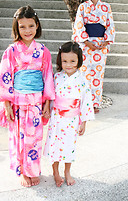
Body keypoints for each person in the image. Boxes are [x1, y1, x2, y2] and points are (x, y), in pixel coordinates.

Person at [0, 5, 55, 187]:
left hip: (35, 101)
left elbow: (48, 77)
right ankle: (22, 171)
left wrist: (47, 103)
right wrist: (6, 104)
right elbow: (5, 76)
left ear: (37, 26)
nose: (27, 31)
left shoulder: (43, 51)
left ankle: (33, 170)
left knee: (34, 138)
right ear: (16, 28)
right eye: (22, 27)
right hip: (17, 101)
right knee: (18, 137)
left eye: (31, 26)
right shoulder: (11, 51)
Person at [44, 42, 94, 187]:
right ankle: (55, 172)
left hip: (72, 119)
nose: (69, 64)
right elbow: (50, 95)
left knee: (68, 146)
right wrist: (47, 107)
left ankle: (67, 171)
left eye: (73, 61)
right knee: (54, 145)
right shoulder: (56, 77)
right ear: (60, 60)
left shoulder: (82, 80)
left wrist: (83, 121)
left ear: (79, 60)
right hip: (57, 117)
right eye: (65, 61)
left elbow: (86, 102)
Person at [73, 0, 115, 114]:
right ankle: (84, 102)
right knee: (84, 73)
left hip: (101, 44)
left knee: (98, 74)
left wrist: (106, 41)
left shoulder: (106, 7)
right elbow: (79, 25)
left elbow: (110, 25)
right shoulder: (83, 7)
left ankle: (95, 103)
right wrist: (85, 42)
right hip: (86, 44)